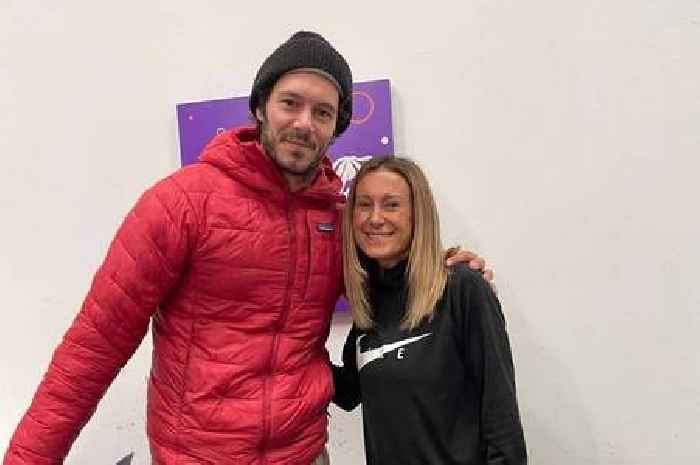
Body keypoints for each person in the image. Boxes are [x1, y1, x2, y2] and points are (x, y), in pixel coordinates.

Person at [4, 32, 488, 465]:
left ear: (337, 127)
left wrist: (445, 268)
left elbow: (392, 275)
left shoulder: (337, 220)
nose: (304, 123)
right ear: (260, 107)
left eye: (322, 112)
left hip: (304, 453)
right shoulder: (181, 204)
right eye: (290, 103)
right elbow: (90, 352)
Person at [332, 156, 527, 465]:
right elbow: (346, 392)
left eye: (391, 204)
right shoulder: (370, 301)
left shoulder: (462, 288)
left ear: (417, 215)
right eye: (364, 204)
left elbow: (501, 420)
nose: (375, 218)